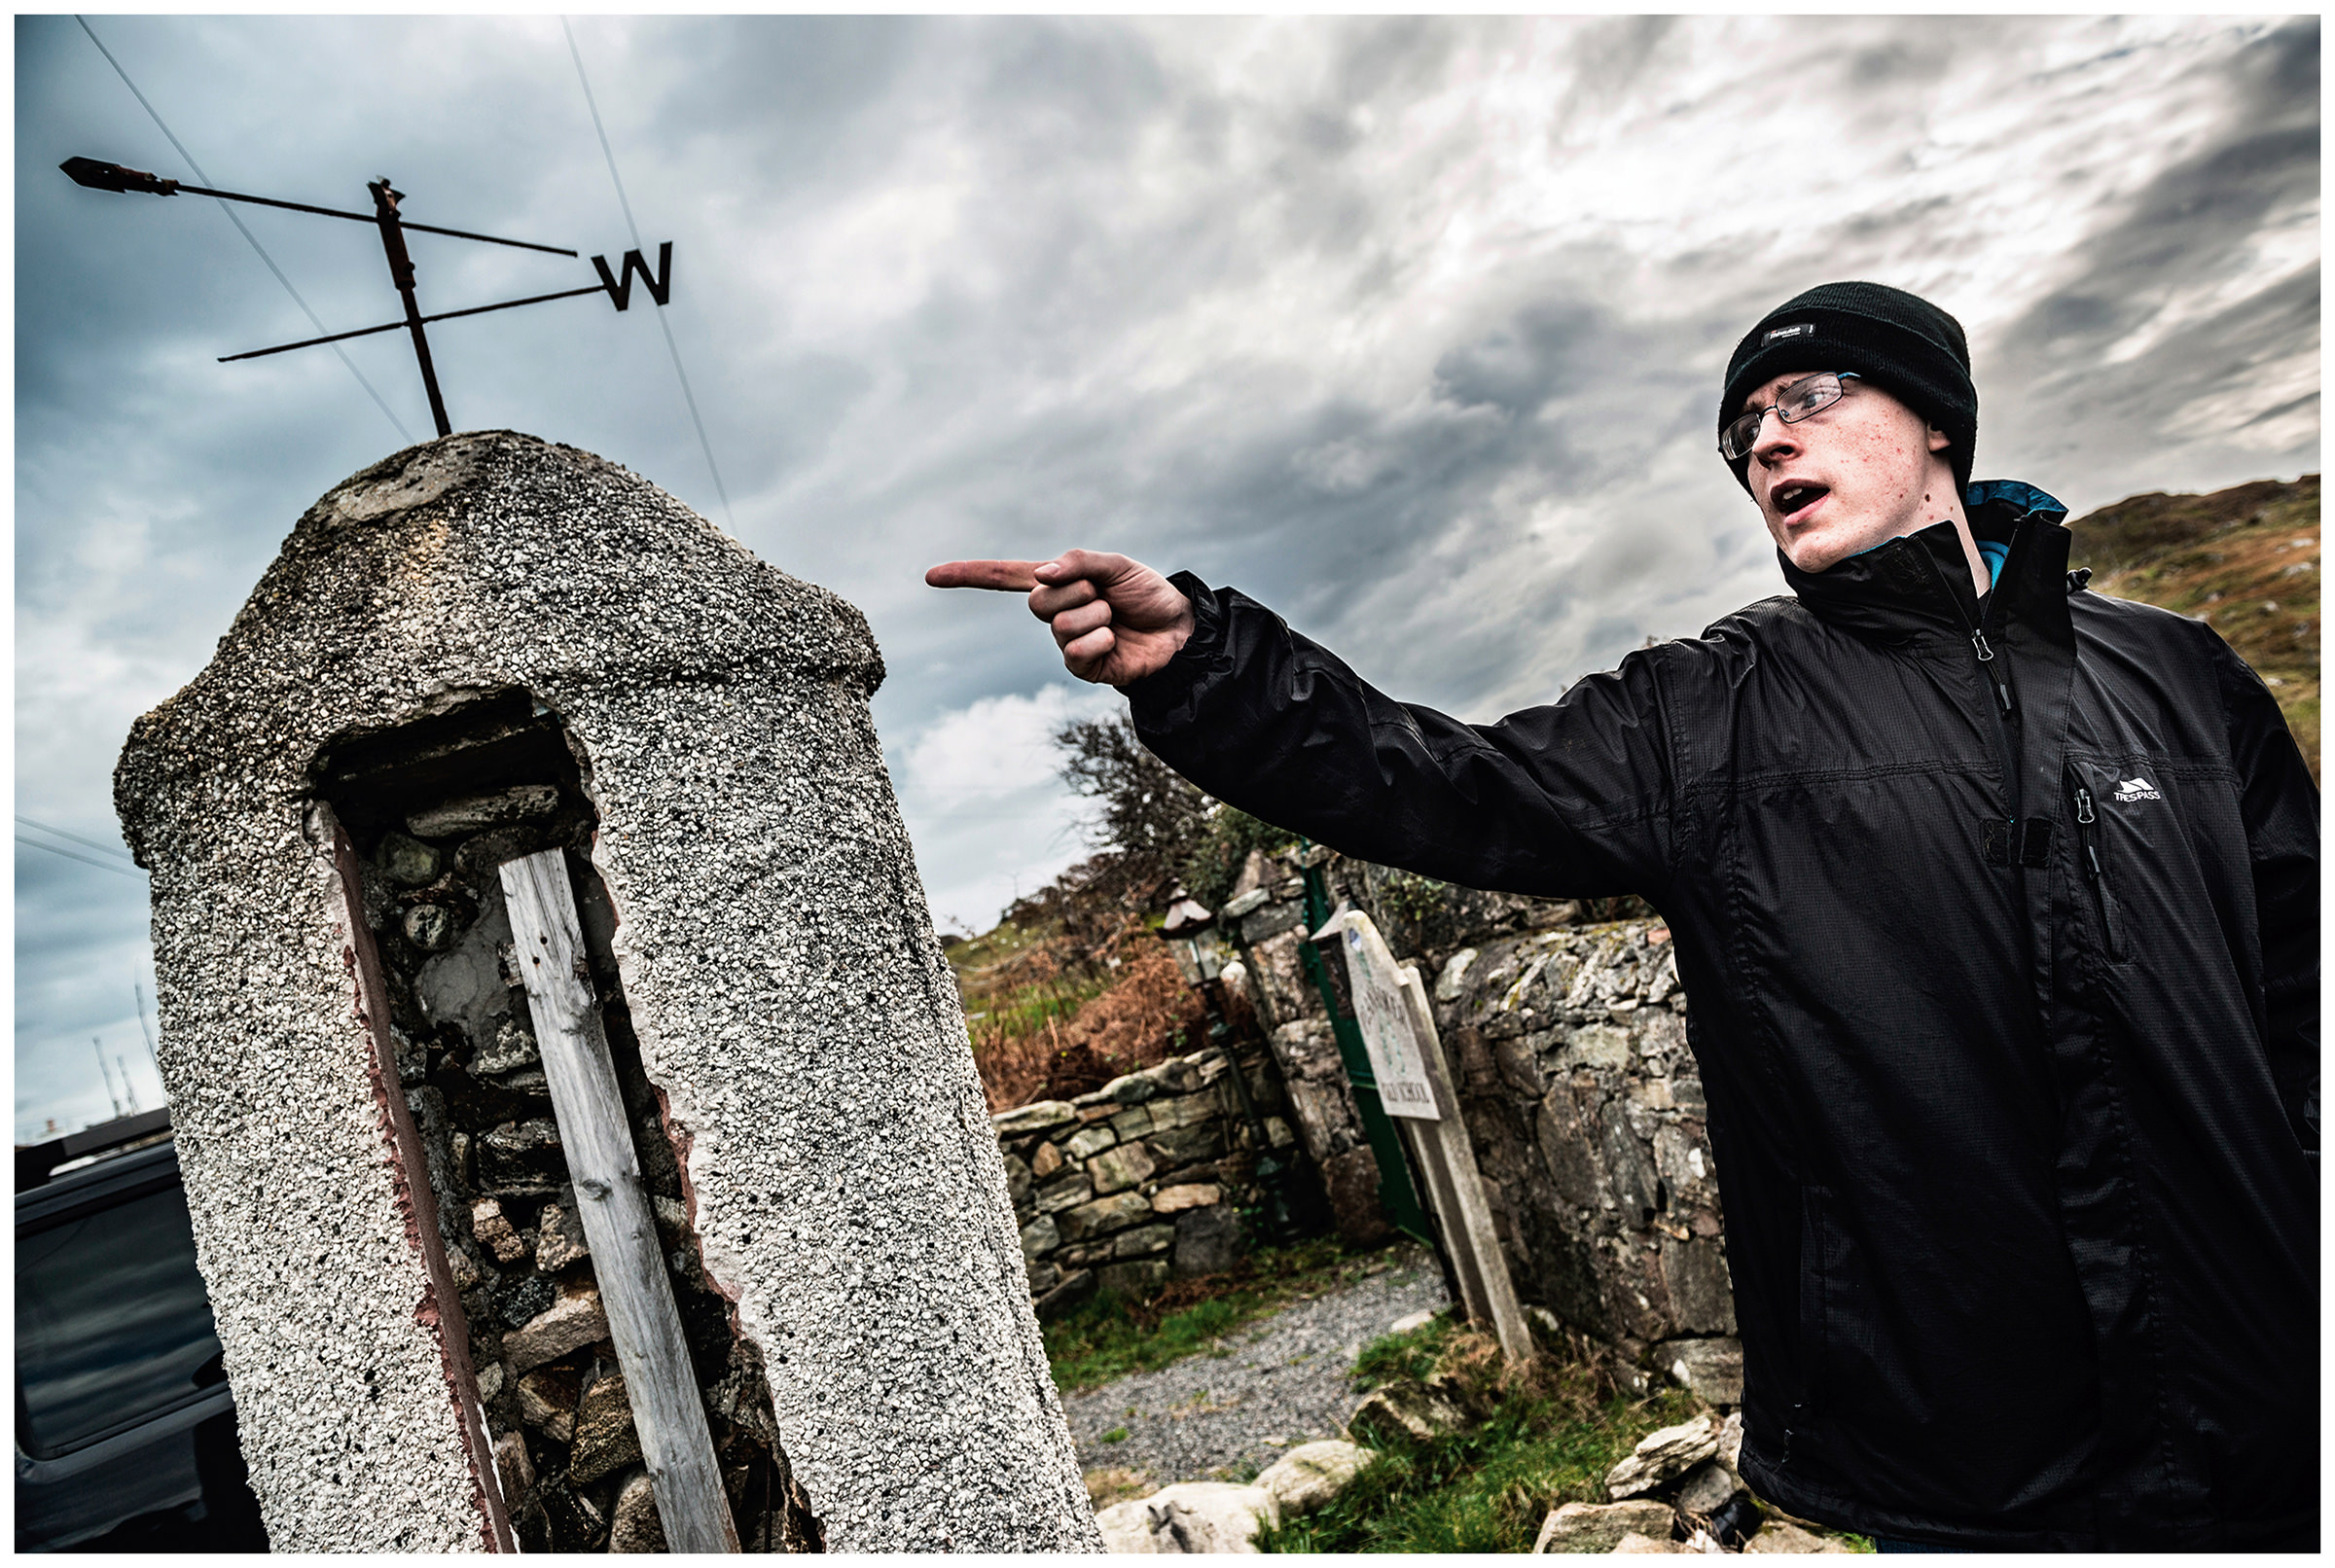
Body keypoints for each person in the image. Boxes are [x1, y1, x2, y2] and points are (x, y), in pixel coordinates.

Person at [927, 281, 2317, 1551]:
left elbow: (2302, 991)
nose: (1766, 444)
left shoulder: (2177, 674)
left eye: (1807, 399)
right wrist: (1208, 668)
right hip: (1981, 1451)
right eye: (1743, 432)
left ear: (1936, 422)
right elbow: (1447, 785)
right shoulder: (1712, 708)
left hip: (2267, 1392)